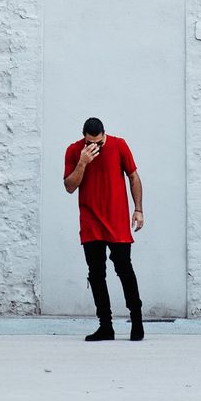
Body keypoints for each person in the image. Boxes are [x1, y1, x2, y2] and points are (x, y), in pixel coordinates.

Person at [63, 117, 145, 341]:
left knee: (125, 271)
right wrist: (83, 162)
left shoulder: (119, 145)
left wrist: (138, 209)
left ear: (104, 135)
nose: (95, 147)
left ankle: (137, 321)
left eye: (99, 143)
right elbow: (70, 187)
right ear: (84, 138)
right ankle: (105, 326)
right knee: (96, 275)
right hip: (91, 223)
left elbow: (134, 176)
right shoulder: (74, 151)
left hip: (116, 221)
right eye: (91, 142)